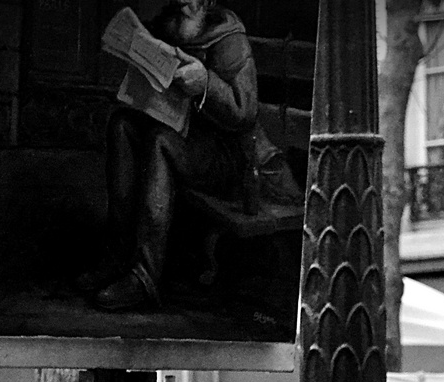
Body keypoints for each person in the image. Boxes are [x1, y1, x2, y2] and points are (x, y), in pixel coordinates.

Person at [78, 0, 299, 311]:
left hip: (228, 159)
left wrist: (206, 83)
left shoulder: (229, 37)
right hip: (184, 134)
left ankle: (144, 277)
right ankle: (117, 255)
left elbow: (244, 112)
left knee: (160, 142)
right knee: (122, 125)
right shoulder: (167, 25)